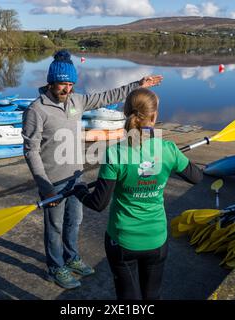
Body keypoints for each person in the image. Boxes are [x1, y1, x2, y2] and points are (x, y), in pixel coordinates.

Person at [22, 50, 163, 289]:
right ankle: (55, 267)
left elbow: (107, 96)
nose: (67, 90)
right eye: (62, 85)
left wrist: (137, 85)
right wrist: (44, 186)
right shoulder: (36, 110)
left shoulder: (77, 101)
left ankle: (72, 257)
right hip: (52, 181)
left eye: (70, 84)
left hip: (76, 177)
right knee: (54, 227)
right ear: (50, 82)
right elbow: (30, 150)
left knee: (74, 221)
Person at [73, 88, 203, 299]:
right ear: (155, 115)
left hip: (123, 241)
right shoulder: (168, 149)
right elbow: (197, 177)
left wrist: (79, 191)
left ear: (126, 113)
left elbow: (98, 203)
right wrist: (174, 159)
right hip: (155, 239)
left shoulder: (115, 153)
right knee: (152, 296)